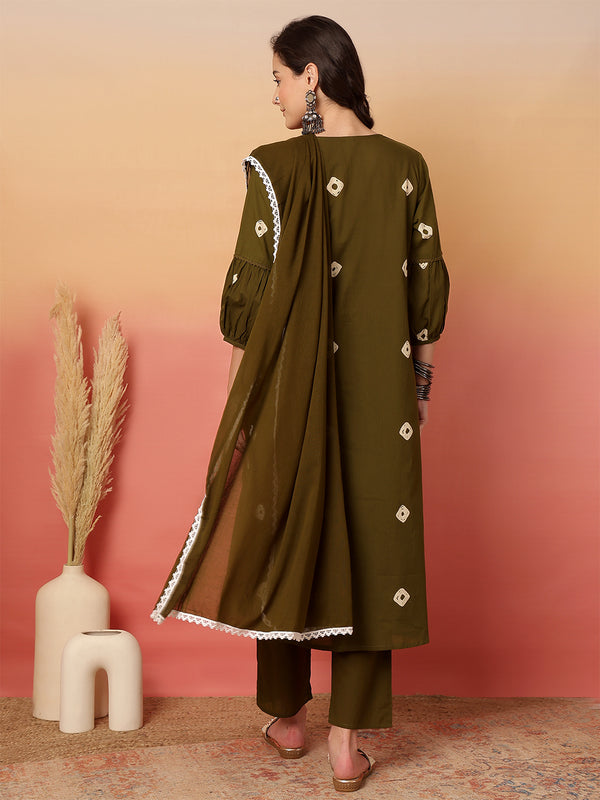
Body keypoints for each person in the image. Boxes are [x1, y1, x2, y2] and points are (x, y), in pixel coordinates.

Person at [152, 15, 449, 792]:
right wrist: (418, 391)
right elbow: (425, 293)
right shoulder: (407, 167)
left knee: (284, 537)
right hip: (384, 396)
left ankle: (287, 717)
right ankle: (346, 747)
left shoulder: (275, 170)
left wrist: (239, 411)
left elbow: (249, 299)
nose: (276, 94)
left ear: (312, 76)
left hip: (289, 395)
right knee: (373, 547)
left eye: (280, 78)